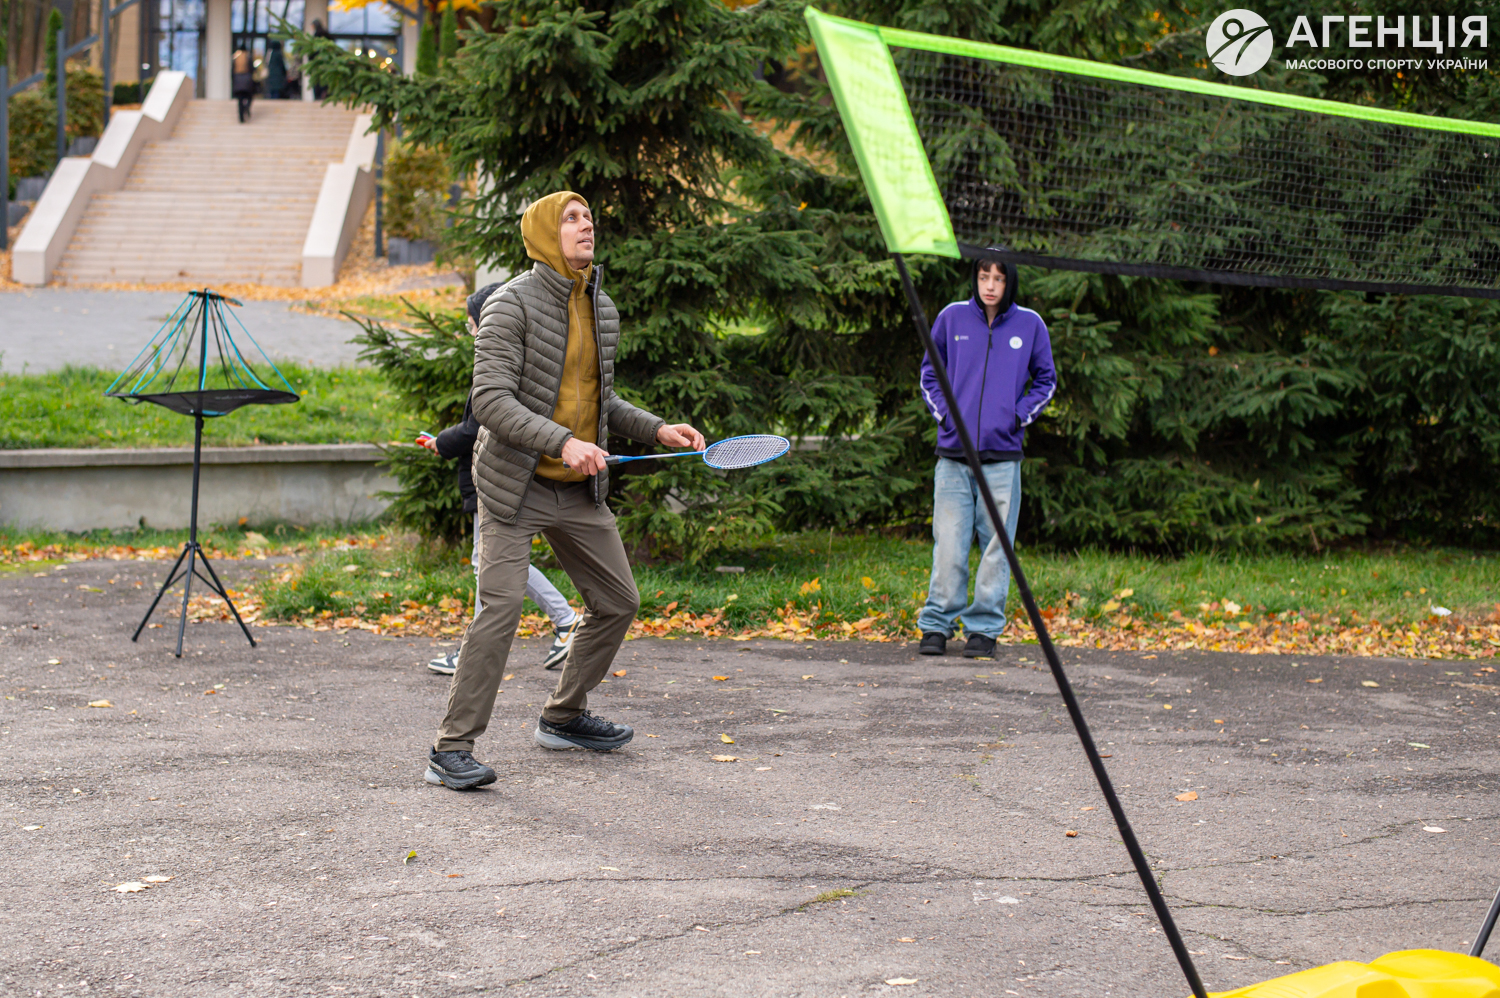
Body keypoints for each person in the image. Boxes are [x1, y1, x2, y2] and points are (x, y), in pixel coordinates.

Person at [425, 190, 704, 791]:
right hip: (513, 487)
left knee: (618, 602)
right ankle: (450, 749)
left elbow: (603, 400)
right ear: (544, 234)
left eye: (589, 217)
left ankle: (563, 716)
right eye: (572, 218)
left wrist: (656, 428)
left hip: (576, 490)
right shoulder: (510, 305)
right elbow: (489, 400)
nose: (586, 225)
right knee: (500, 610)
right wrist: (561, 442)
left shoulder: (601, 307)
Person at [419, 283, 581, 676]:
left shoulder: (498, 362)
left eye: (472, 323)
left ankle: (563, 619)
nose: (471, 331)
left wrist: (441, 442)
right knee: (491, 564)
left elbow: (479, 425)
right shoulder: (517, 357)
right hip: (503, 479)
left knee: (492, 564)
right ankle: (485, 648)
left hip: (494, 480)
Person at [917, 249, 1055, 659]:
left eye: (998, 278)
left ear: (1009, 282)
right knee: (949, 544)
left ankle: (983, 629)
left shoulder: (1030, 324)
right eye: (983, 277)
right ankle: (937, 624)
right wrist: (946, 416)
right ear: (975, 279)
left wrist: (1016, 416)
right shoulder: (951, 318)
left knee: (997, 547)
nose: (990, 286)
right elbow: (930, 372)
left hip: (1002, 458)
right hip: (954, 457)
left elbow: (1045, 380)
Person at [231, 48, 255, 123]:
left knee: (240, 100)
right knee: (249, 96)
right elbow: (252, 69)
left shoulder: (235, 57)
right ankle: (246, 108)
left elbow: (232, 71)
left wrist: (234, 81)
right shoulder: (248, 57)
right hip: (246, 80)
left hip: (238, 81)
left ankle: (241, 117)